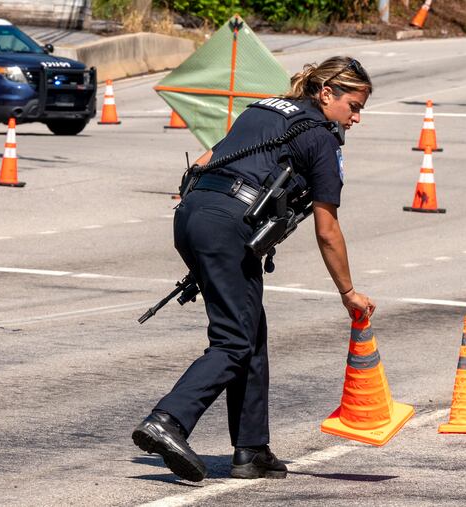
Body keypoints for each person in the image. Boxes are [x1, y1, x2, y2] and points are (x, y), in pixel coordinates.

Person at [132, 56, 376, 482]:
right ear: (326, 94)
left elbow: (208, 157)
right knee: (233, 341)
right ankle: (168, 420)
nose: (356, 118)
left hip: (192, 213)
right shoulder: (320, 138)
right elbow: (327, 229)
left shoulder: (266, 108)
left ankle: (251, 449)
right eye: (353, 106)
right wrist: (347, 291)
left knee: (250, 334)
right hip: (227, 226)